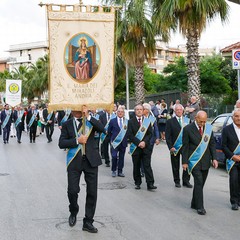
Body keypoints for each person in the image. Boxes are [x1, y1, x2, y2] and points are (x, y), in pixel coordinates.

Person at [58, 105, 105, 233]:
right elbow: (61, 143)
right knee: (72, 190)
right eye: (74, 108)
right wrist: (76, 140)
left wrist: (88, 116)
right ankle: (73, 210)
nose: (77, 110)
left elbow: (103, 129)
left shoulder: (91, 120)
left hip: (91, 160)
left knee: (92, 192)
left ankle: (88, 221)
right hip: (74, 161)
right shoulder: (67, 124)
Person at [182, 111, 218, 215]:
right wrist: (184, 162)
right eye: (201, 121)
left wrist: (214, 158)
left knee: (201, 184)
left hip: (206, 160)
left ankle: (194, 202)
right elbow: (185, 147)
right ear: (196, 118)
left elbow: (212, 144)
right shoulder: (188, 129)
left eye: (204, 121)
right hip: (194, 161)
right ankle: (200, 207)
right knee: (198, 181)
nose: (202, 123)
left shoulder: (208, 129)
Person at [127, 104, 157, 190]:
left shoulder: (147, 121)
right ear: (135, 111)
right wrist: (138, 142)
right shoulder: (130, 121)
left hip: (146, 147)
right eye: (137, 109)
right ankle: (137, 183)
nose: (139, 111)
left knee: (147, 165)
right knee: (136, 166)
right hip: (136, 147)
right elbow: (130, 135)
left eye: (141, 109)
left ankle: (150, 183)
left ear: (143, 110)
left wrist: (144, 142)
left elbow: (150, 133)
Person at [165, 104, 192, 188]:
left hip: (186, 147)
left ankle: (186, 181)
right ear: (175, 111)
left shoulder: (188, 120)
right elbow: (167, 136)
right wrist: (170, 147)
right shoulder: (170, 121)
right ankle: (177, 181)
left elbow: (191, 134)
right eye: (177, 110)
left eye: (180, 109)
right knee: (175, 165)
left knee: (187, 164)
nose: (179, 111)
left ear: (183, 111)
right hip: (175, 147)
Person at [221, 108, 240, 210]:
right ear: (233, 118)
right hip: (232, 161)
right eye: (236, 116)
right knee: (234, 181)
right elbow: (223, 146)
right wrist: (233, 156)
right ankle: (234, 202)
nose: (239, 118)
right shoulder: (227, 130)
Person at [108, 105, 128, 177]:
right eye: (118, 111)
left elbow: (128, 132)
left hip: (123, 143)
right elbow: (109, 131)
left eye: (122, 112)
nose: (120, 113)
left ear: (124, 113)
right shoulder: (112, 121)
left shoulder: (126, 121)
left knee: (121, 157)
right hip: (114, 142)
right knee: (114, 156)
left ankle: (120, 171)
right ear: (116, 112)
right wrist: (111, 140)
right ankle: (113, 170)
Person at [141, 103, 160, 177]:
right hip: (142, 141)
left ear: (147, 110)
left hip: (150, 141)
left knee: (148, 156)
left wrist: (157, 138)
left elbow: (156, 129)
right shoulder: (140, 118)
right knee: (141, 156)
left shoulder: (152, 119)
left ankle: (146, 169)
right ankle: (142, 170)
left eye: (143, 109)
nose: (142, 110)